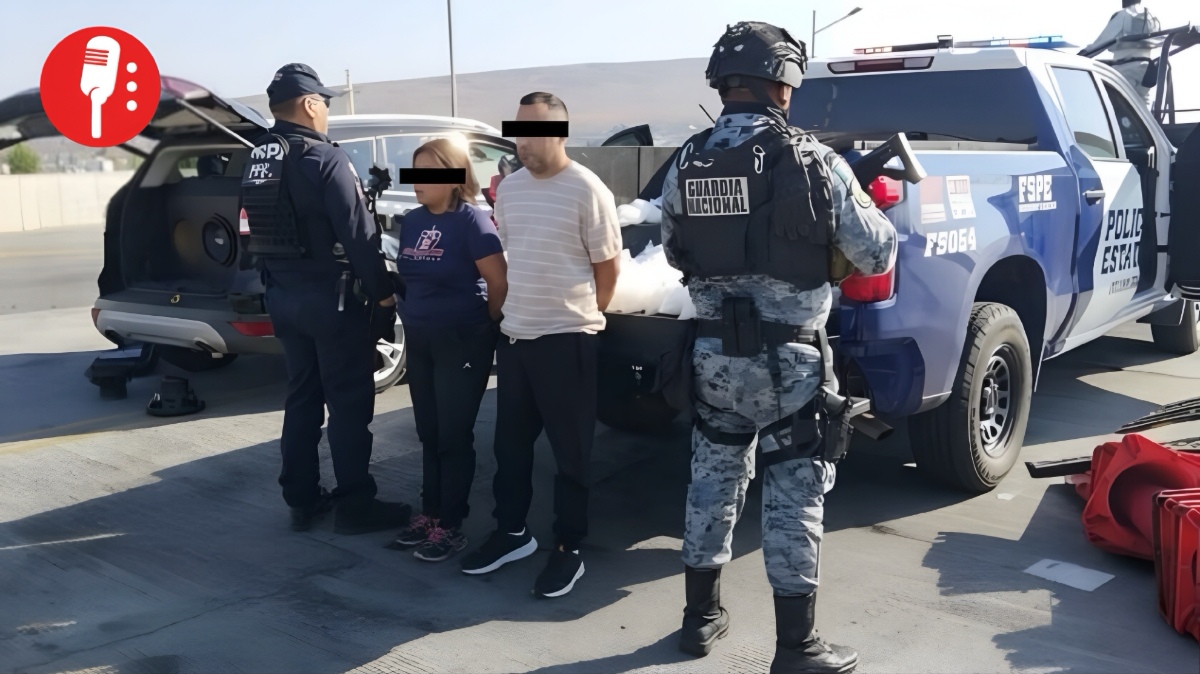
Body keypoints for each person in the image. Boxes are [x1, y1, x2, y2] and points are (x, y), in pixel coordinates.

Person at [661, 22, 897, 674]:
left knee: (711, 485)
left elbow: (674, 249)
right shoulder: (813, 160)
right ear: (785, 84)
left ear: (722, 83)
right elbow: (876, 252)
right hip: (790, 365)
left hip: (712, 359)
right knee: (794, 498)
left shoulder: (688, 160)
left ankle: (699, 619)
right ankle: (798, 648)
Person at [459, 92, 621, 599]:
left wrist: (578, 315)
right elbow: (513, 252)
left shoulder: (588, 189)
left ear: (559, 133)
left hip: (567, 340)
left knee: (571, 455)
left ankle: (568, 547)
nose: (522, 143)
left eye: (532, 132)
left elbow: (607, 268)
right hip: (516, 338)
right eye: (517, 132)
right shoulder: (509, 189)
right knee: (509, 448)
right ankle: (512, 533)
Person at [241, 63, 412, 535]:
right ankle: (356, 505)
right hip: (331, 302)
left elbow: (251, 230)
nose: (327, 112)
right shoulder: (324, 158)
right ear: (310, 104)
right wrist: (383, 297)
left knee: (302, 399)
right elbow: (359, 236)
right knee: (348, 404)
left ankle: (301, 499)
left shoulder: (258, 159)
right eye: (325, 103)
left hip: (283, 297)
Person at [385, 138, 508, 562]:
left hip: (463, 340)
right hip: (421, 340)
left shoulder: (473, 221)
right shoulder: (413, 221)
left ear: (455, 177)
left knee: (454, 435)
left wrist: (483, 324)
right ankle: (431, 514)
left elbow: (498, 282)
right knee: (430, 432)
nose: (417, 181)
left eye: (428, 173)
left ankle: (451, 525)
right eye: (414, 171)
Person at [1084, 0, 1163, 106]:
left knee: (1115, 103)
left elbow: (1100, 43)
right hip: (1146, 69)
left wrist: (1080, 56)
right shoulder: (1152, 17)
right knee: (1141, 104)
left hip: (1125, 68)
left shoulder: (1124, 15)